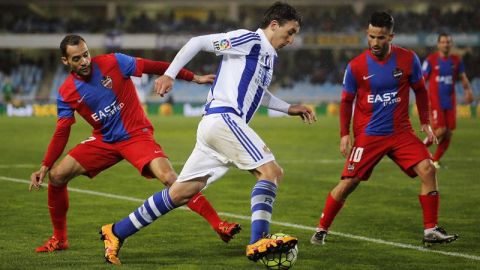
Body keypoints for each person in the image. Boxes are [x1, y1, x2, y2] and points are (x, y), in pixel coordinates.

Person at [99, 2, 316, 265]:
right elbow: (197, 42)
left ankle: (116, 231)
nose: (291, 40)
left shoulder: (267, 56)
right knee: (271, 172)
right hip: (225, 120)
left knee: (180, 193)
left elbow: (257, 92)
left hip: (215, 127)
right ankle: (259, 239)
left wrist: (288, 107)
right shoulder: (249, 40)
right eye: (290, 32)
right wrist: (170, 74)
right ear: (274, 25)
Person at [29, 34, 241, 253]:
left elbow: (154, 66)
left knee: (169, 177)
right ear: (65, 61)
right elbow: (62, 130)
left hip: (135, 135)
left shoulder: (114, 62)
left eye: (86, 54)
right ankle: (59, 239)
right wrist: (45, 165)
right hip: (104, 140)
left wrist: (193, 77)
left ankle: (218, 224)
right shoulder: (66, 92)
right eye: (76, 59)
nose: (84, 61)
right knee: (57, 175)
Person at [310, 12, 458, 247]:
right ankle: (321, 229)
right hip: (369, 134)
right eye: (371, 37)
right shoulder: (356, 66)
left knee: (428, 169)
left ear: (391, 36)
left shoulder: (409, 59)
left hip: (400, 132)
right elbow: (347, 101)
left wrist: (425, 122)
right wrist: (344, 134)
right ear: (366, 35)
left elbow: (420, 90)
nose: (376, 43)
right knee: (349, 183)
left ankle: (431, 230)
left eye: (381, 37)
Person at [422, 33, 474, 168]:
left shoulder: (456, 60)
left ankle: (435, 160)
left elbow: (463, 77)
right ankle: (419, 148)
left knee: (449, 132)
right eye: (443, 42)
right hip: (435, 100)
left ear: (451, 44)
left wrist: (468, 91)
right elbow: (422, 80)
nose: (446, 44)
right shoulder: (431, 60)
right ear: (438, 44)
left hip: (450, 100)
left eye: (448, 42)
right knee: (441, 130)